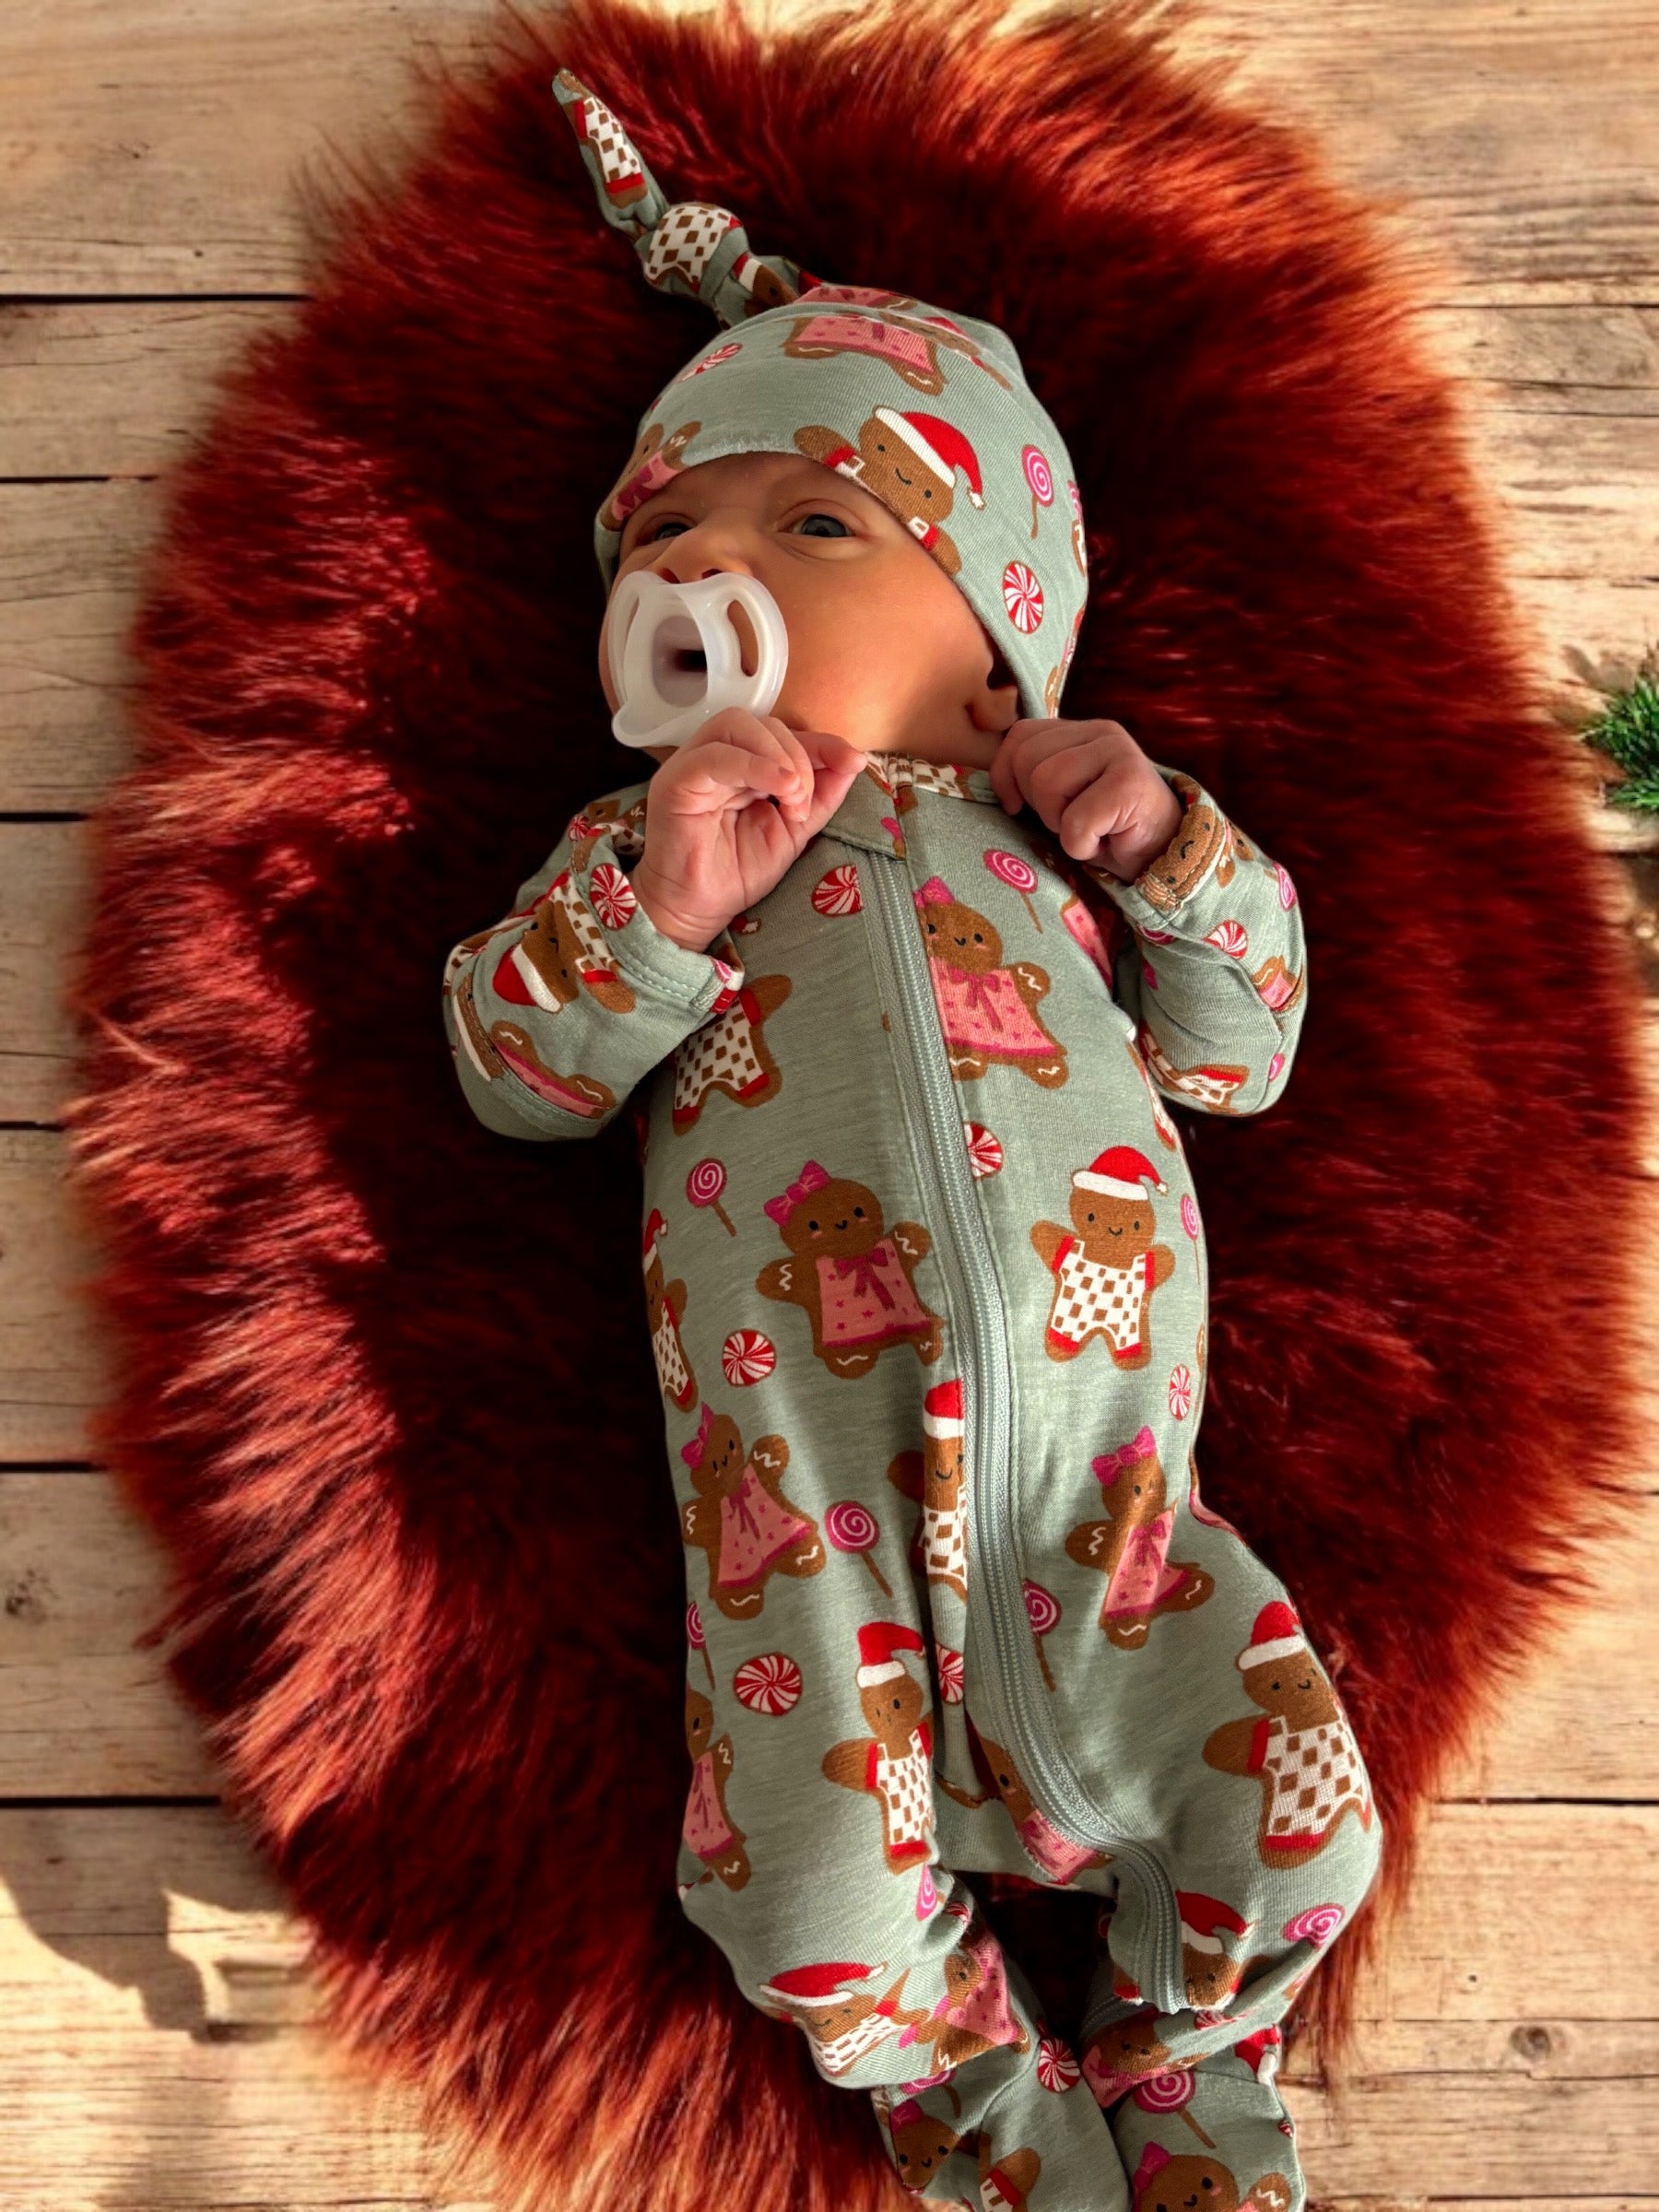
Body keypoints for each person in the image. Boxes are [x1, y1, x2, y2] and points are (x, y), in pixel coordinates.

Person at [440, 70, 1383, 2212]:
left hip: (1113, 1516)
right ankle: (987, 2113)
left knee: (1310, 1820)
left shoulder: (1064, 845)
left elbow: (1245, 1060)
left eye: (810, 527)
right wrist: (654, 913)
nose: (705, 571)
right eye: (666, 543)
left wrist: (1173, 857)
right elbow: (513, 1070)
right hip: (811, 1557)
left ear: (991, 647)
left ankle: (1182, 2062)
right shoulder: (649, 851)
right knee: (802, 1911)